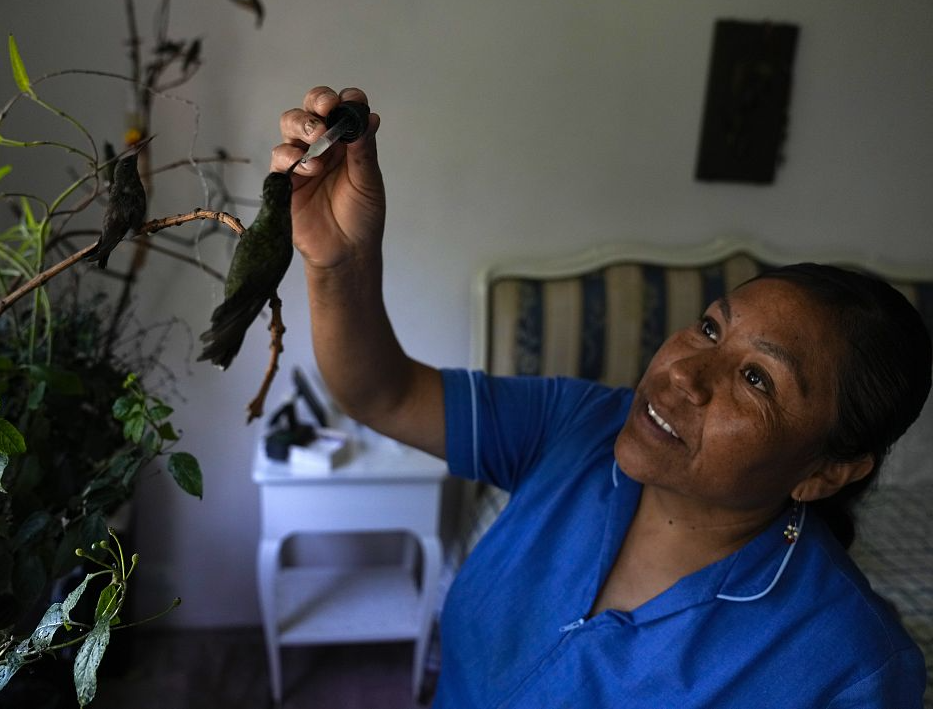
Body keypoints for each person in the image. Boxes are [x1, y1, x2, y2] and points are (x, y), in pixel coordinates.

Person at [271, 85, 931, 708]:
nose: (684, 374)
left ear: (826, 471)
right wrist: (339, 264)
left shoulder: (849, 667)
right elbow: (380, 394)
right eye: (708, 328)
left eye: (757, 379)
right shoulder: (578, 426)